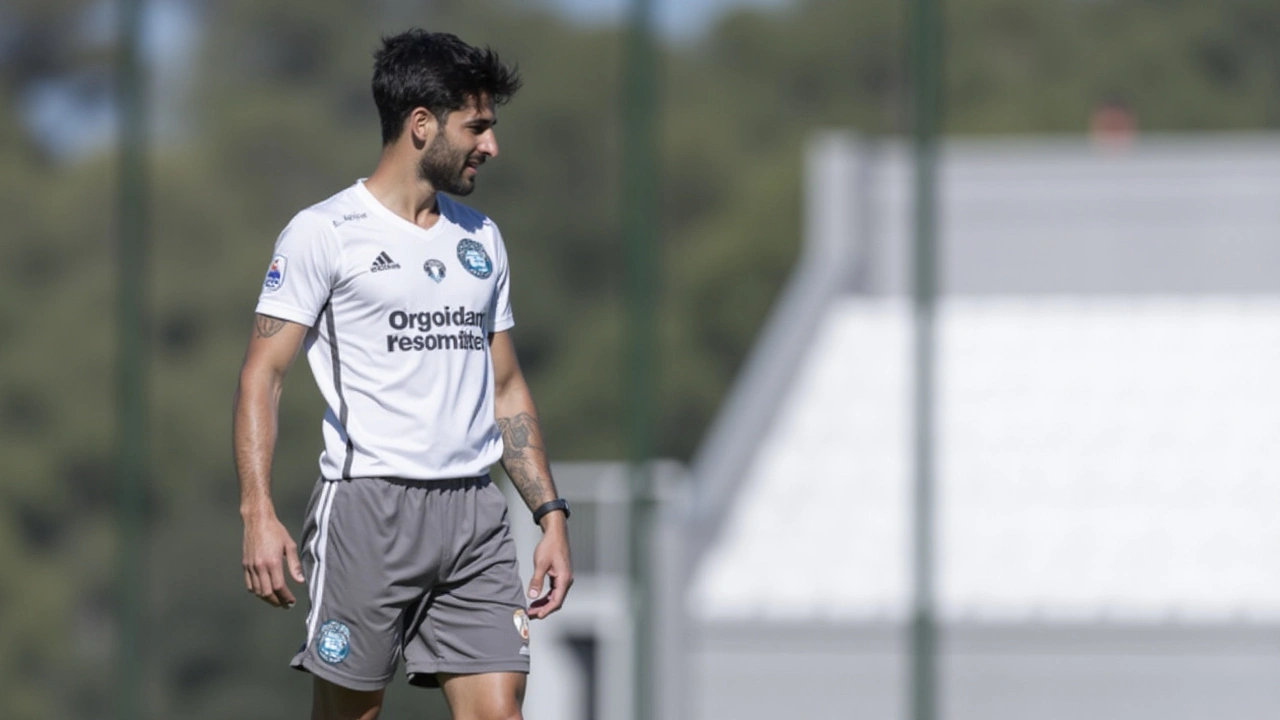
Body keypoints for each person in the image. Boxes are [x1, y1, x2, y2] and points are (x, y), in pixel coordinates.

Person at [232, 29, 572, 720]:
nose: (491, 146)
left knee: (500, 712)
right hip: (369, 511)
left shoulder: (481, 237)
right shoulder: (323, 232)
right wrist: (257, 513)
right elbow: (262, 376)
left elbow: (506, 385)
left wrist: (550, 515)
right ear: (421, 125)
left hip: (474, 516)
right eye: (477, 127)